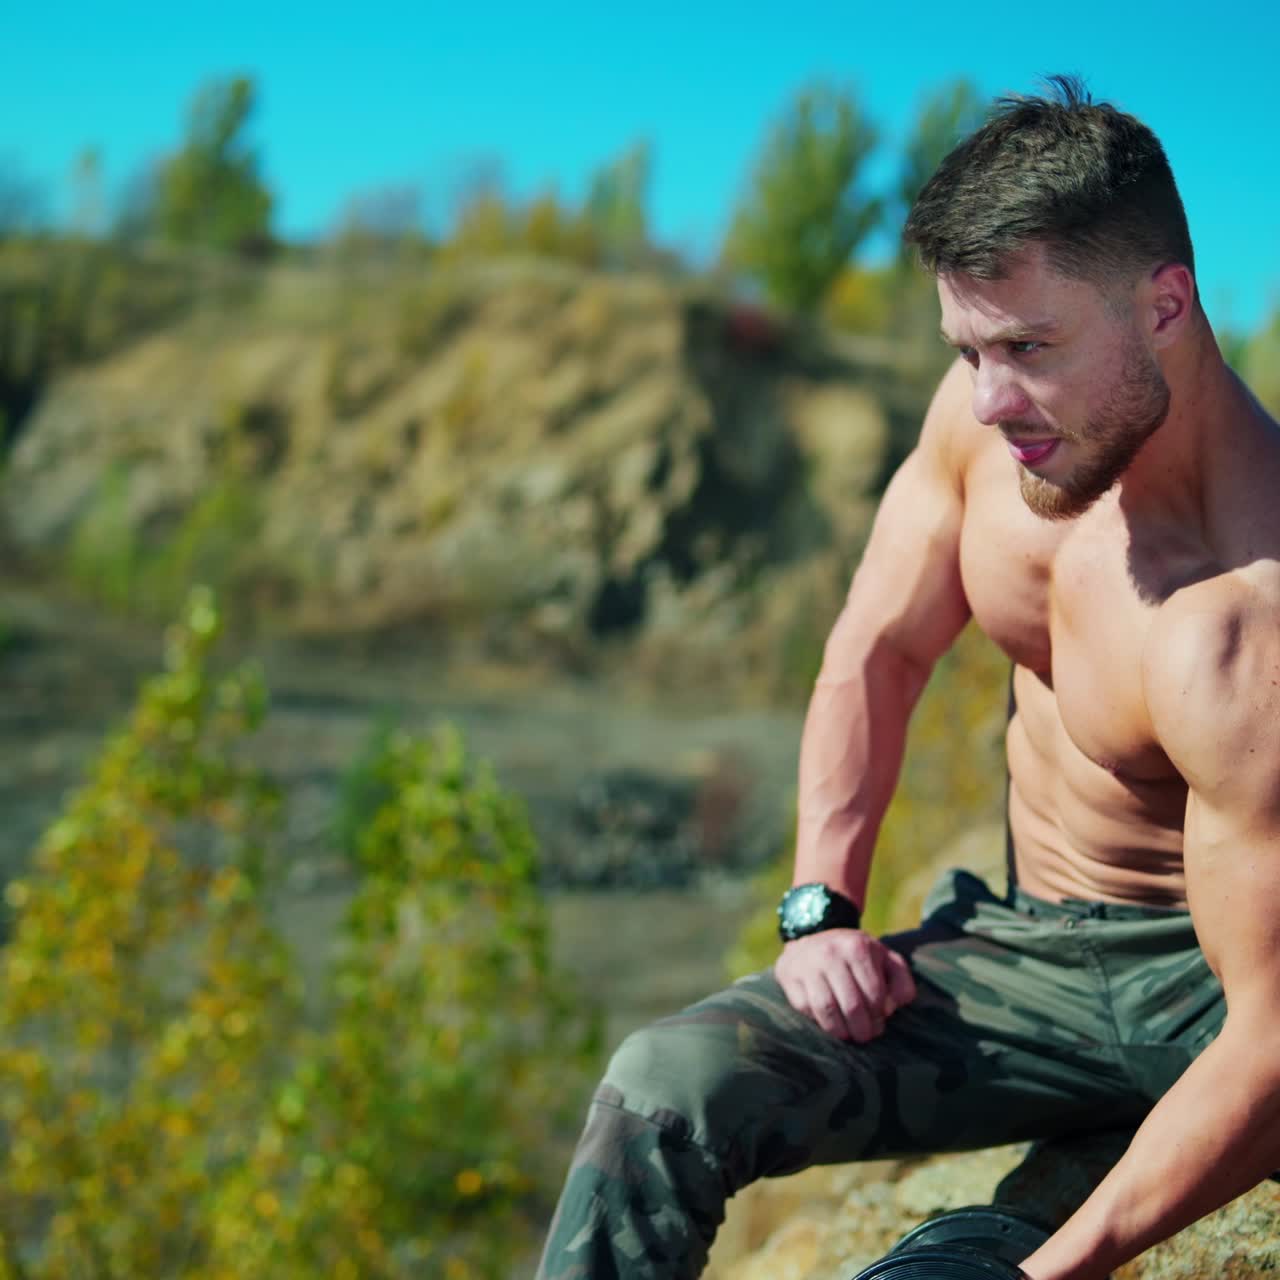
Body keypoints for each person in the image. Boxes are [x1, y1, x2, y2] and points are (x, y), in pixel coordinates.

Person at [536, 75, 1280, 1280]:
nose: (986, 398)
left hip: (1218, 986)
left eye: (1026, 348)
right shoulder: (993, 434)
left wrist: (1046, 1271)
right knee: (663, 1086)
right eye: (966, 348)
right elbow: (876, 649)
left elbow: (1273, 1038)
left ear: (1164, 305)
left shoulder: (1247, 618)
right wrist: (819, 905)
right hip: (1024, 953)